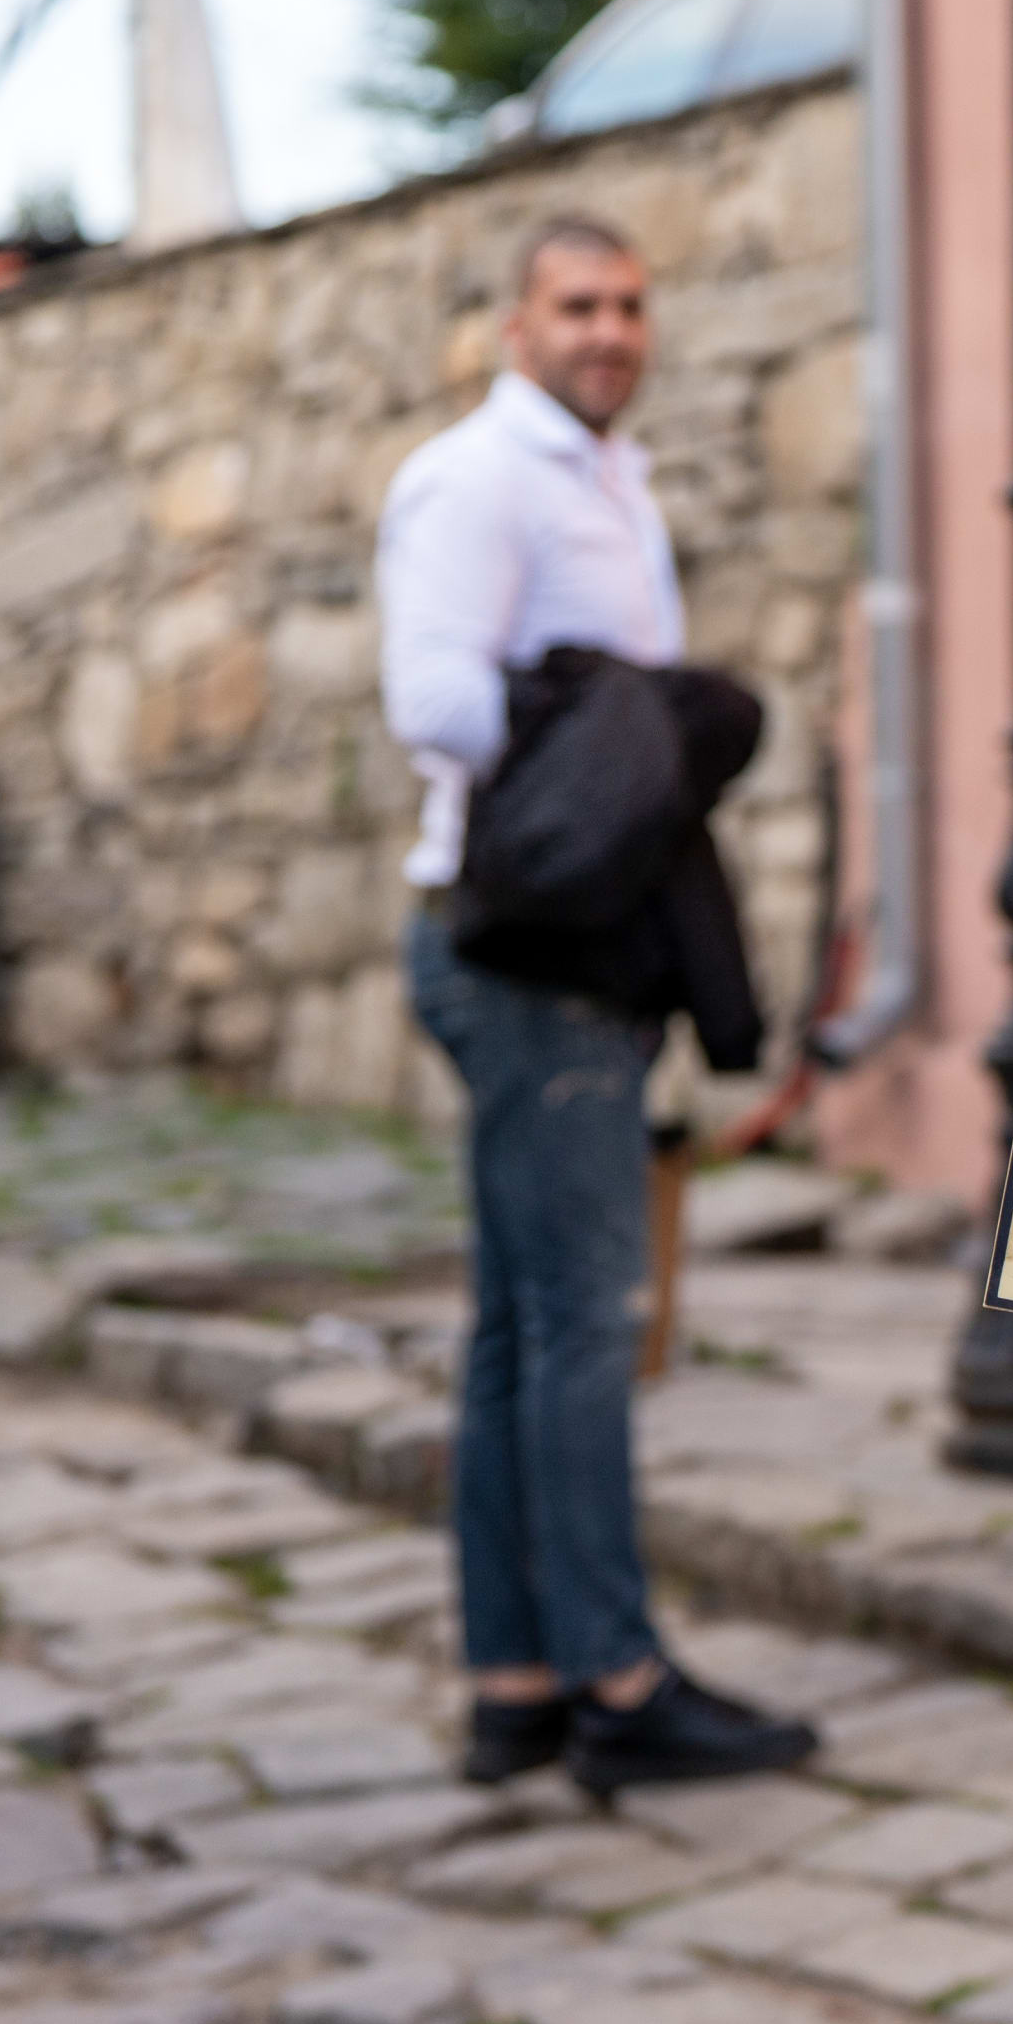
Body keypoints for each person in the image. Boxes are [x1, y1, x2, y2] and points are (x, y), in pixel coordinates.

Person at [378, 214, 817, 1796]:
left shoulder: (606, 478)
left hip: (582, 960)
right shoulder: (479, 480)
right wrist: (613, 724)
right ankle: (621, 1683)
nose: (609, 330)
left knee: (521, 1330)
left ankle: (516, 1681)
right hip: (531, 962)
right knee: (585, 1331)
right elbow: (430, 695)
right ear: (516, 327)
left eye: (631, 305)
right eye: (576, 305)